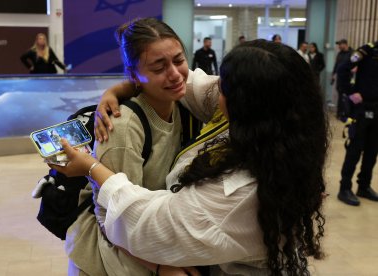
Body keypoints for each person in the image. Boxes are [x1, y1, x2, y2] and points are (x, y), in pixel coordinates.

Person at [52, 39, 328, 275]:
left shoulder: (236, 195)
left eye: (223, 88)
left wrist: (91, 167)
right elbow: (191, 82)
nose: (174, 76)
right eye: (159, 66)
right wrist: (119, 89)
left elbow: (144, 223)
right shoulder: (286, 133)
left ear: (242, 105)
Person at [64, 18, 220, 276]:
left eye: (179, 61)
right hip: (109, 259)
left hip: (151, 242)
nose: (174, 74)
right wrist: (161, 266)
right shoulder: (122, 128)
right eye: (159, 68)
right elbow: (115, 217)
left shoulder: (184, 104)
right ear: (134, 73)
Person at [337, 41, 378, 206]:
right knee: (355, 150)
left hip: (377, 110)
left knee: (372, 151)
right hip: (362, 109)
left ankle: (364, 186)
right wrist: (352, 93)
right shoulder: (368, 51)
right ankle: (345, 188)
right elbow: (343, 69)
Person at [332, 39, 354, 119]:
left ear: (345, 44)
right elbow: (336, 64)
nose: (339, 46)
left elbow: (357, 64)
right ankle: (339, 114)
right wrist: (334, 73)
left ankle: (348, 114)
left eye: (340, 44)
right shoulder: (339, 54)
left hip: (349, 78)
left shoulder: (352, 53)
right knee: (340, 97)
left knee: (349, 97)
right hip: (340, 79)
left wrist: (354, 68)